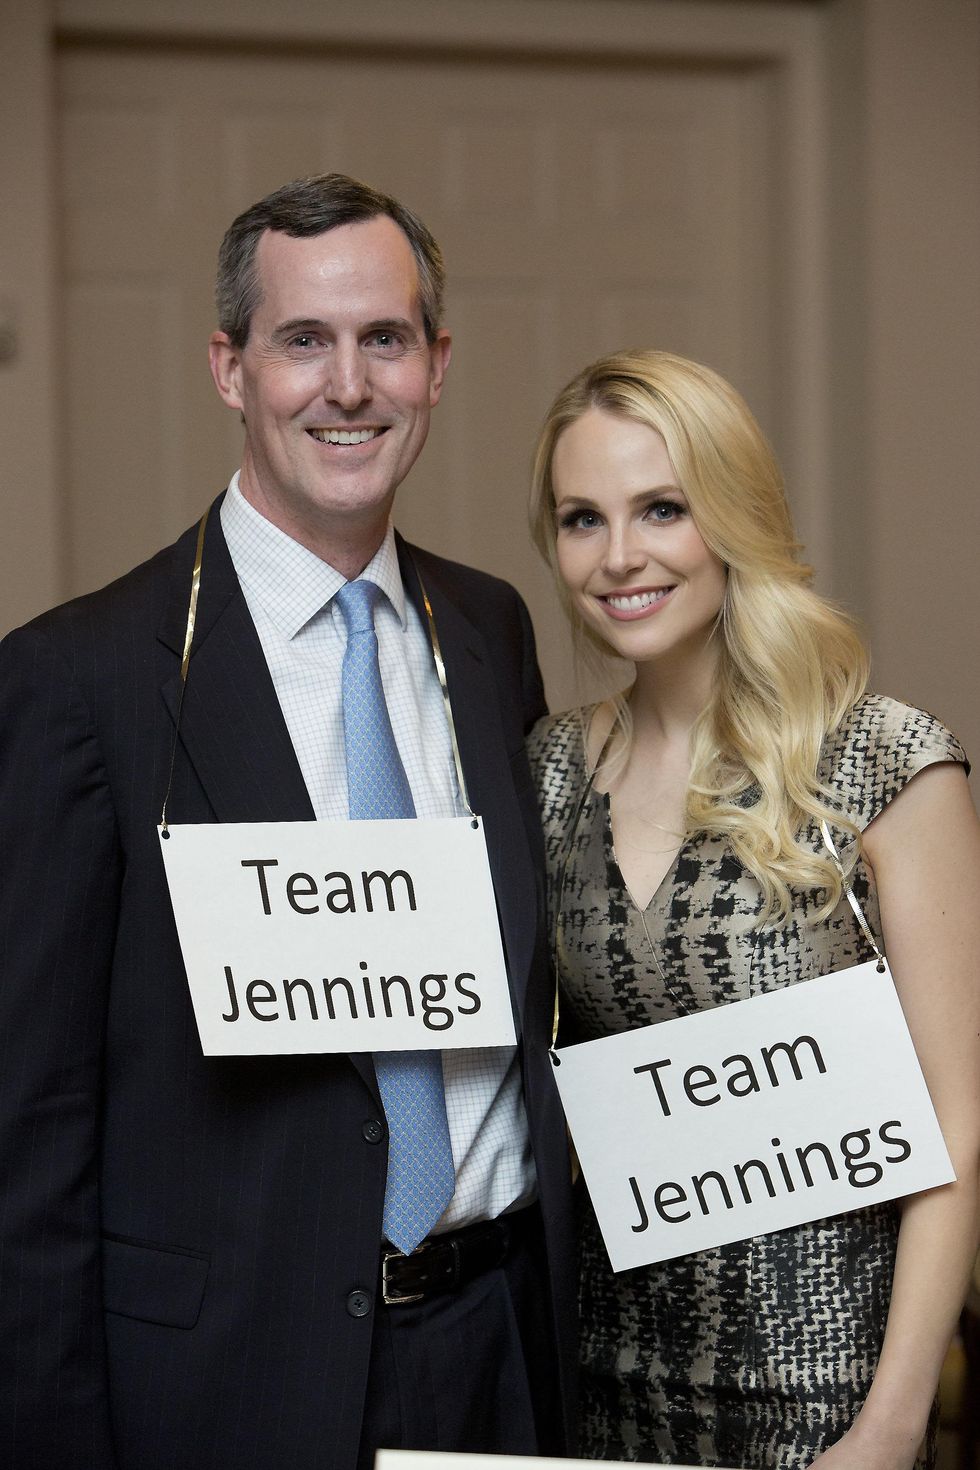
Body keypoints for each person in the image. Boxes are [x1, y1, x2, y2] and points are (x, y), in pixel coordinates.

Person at [0, 174, 575, 1470]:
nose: (348, 385)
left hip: (497, 1351)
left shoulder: (490, 631)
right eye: (303, 340)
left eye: (385, 339)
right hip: (227, 1383)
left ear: (436, 365)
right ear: (231, 367)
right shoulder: (78, 680)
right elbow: (29, 1128)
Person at [527, 348, 980, 1469]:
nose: (619, 556)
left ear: (731, 516)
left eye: (661, 508)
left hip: (825, 1393)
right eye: (582, 519)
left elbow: (954, 1125)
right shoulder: (545, 769)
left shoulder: (884, 760)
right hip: (599, 1382)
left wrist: (890, 1424)